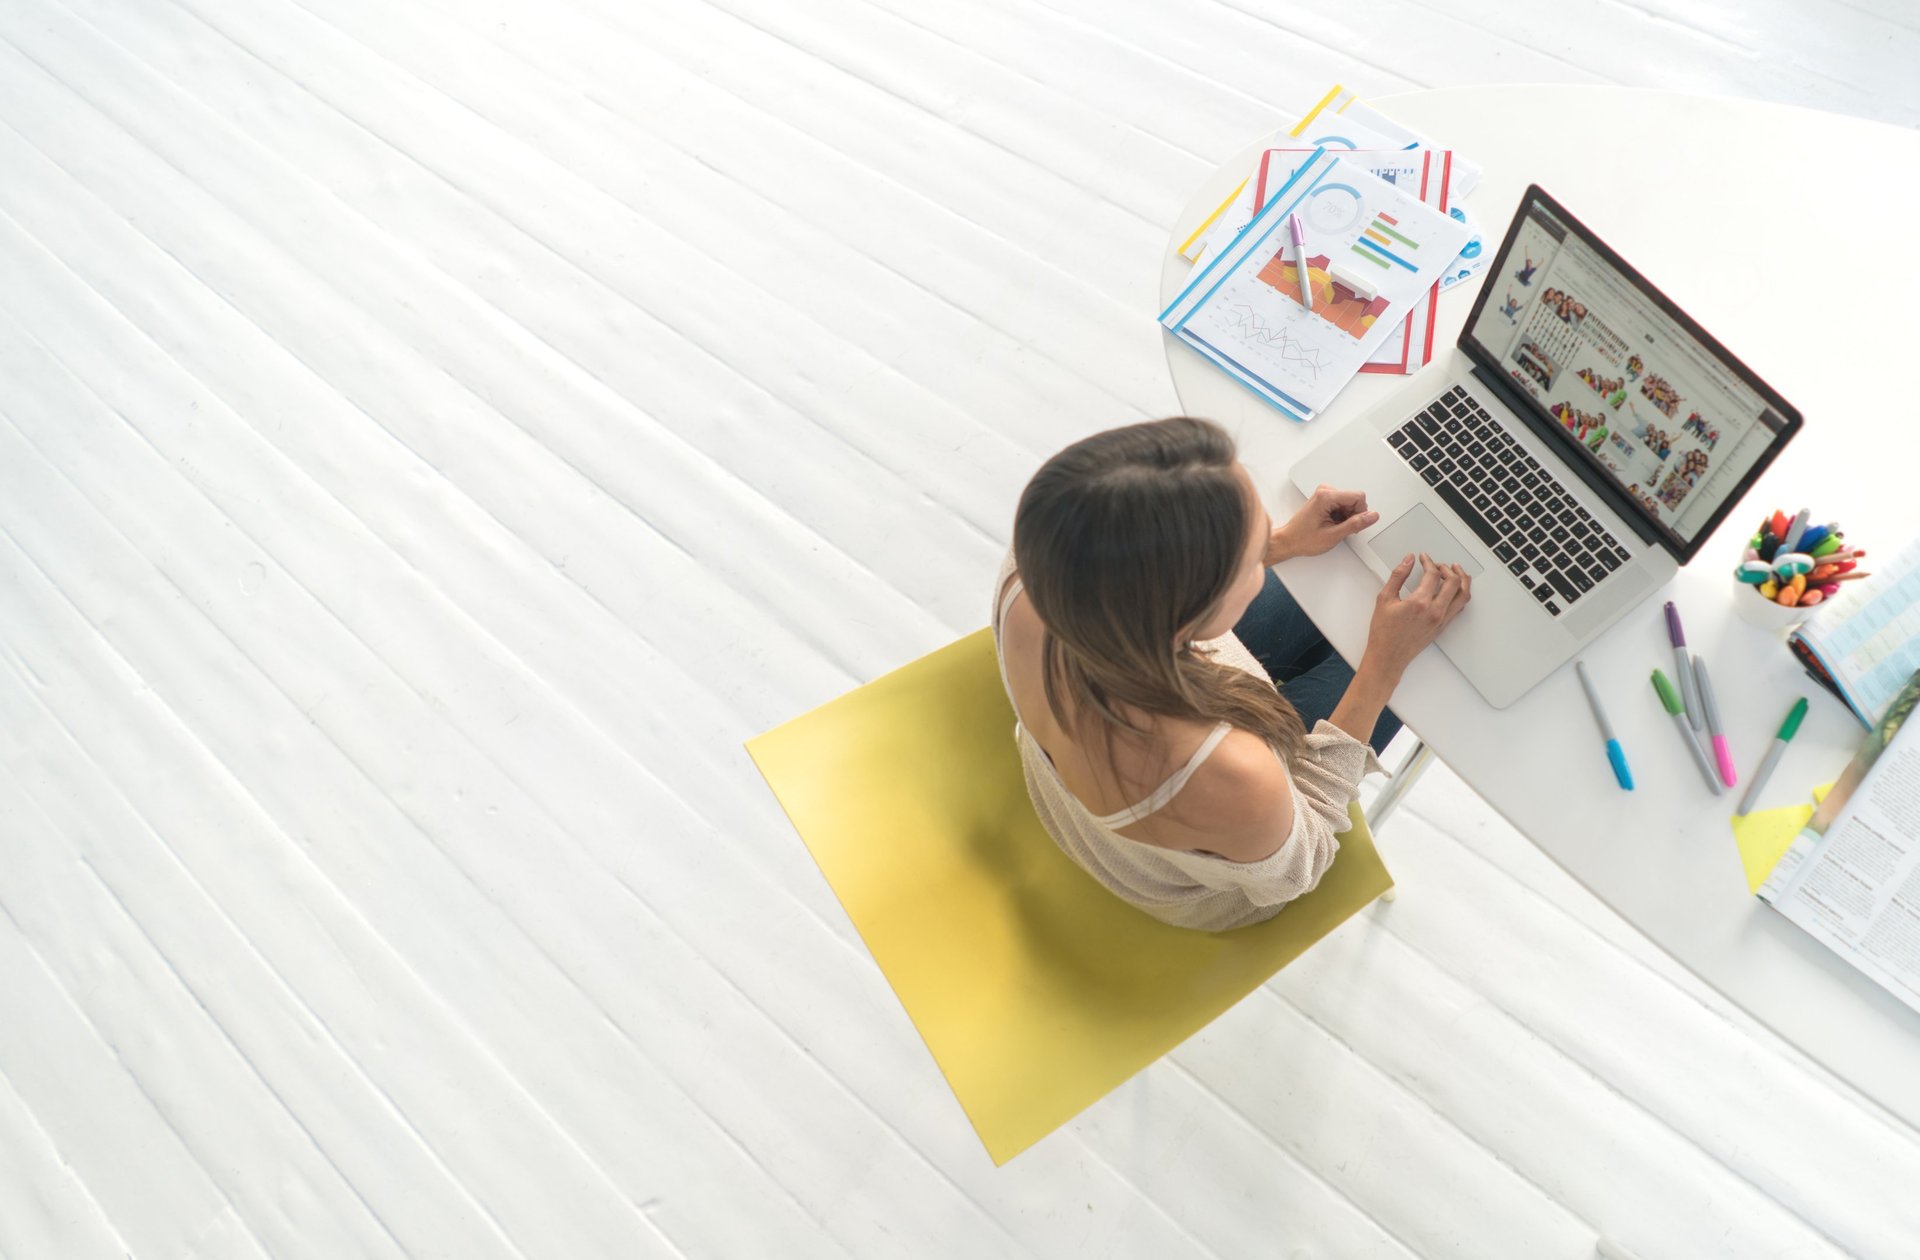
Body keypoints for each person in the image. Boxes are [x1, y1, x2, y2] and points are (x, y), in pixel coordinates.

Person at [992, 418, 1471, 932]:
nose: (1266, 559)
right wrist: (1383, 668)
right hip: (1177, 876)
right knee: (1421, 660)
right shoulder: (1228, 770)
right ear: (1188, 608)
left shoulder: (1044, 556)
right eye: (1252, 559)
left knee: (1356, 607)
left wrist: (1281, 542)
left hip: (1091, 765)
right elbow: (1300, 866)